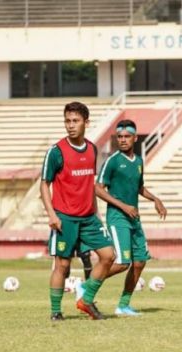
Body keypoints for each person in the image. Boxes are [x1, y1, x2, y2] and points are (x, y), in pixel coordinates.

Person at [41, 101, 115, 321]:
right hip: (64, 218)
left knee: (108, 256)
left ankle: (86, 299)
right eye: (67, 121)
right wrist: (52, 215)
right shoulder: (56, 151)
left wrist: (97, 213)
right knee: (62, 265)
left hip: (89, 218)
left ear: (86, 122)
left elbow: (89, 184)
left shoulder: (92, 149)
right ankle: (56, 311)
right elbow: (44, 184)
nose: (70, 125)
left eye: (75, 121)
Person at [92, 119, 167, 316]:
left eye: (127, 136)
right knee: (123, 262)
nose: (123, 140)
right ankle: (86, 287)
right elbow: (98, 189)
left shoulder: (139, 161)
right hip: (118, 217)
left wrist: (155, 199)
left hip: (134, 218)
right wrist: (123, 206)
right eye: (120, 137)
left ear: (135, 138)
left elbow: (139, 187)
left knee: (140, 261)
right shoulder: (113, 161)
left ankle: (123, 305)